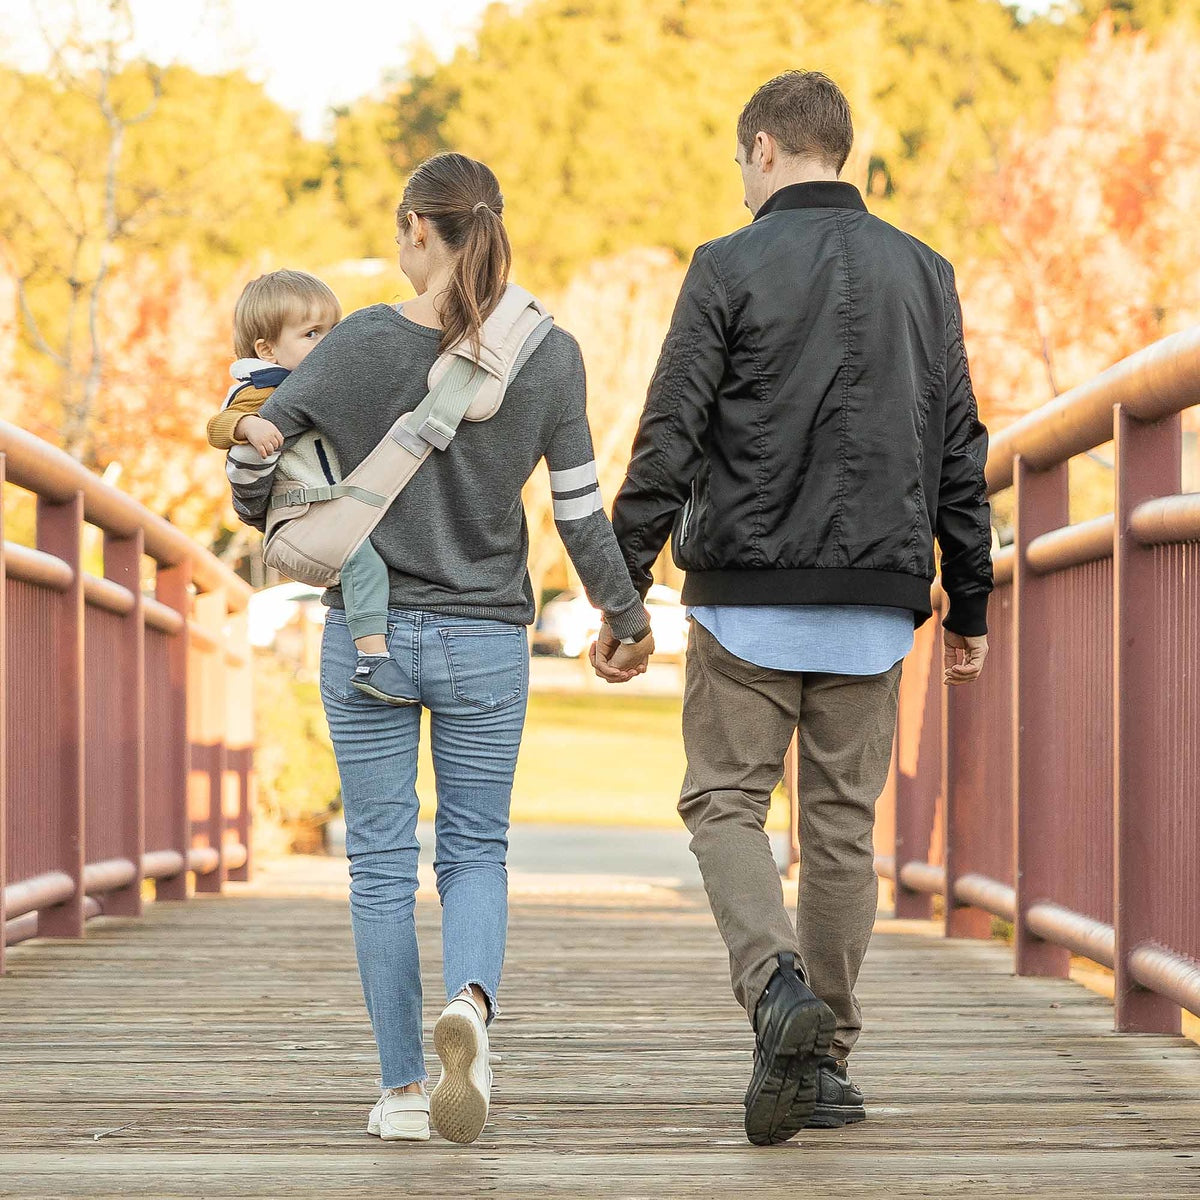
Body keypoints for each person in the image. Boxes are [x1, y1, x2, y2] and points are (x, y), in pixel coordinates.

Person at [228, 152, 654, 1145]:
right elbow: (582, 515)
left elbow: (260, 479)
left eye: (397, 229)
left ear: (421, 229)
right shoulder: (552, 353)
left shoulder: (364, 340)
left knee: (380, 864)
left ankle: (404, 1092)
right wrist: (625, 620)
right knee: (474, 855)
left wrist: (263, 477)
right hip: (486, 638)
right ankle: (471, 1004)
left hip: (368, 639)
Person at [602, 70, 993, 1146]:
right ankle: (824, 1066)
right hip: (875, 601)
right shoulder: (926, 272)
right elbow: (961, 447)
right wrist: (971, 602)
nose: (739, 184)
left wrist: (623, 583)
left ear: (766, 148)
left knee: (723, 802)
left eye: (740, 163)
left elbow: (671, 430)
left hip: (745, 598)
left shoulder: (728, 266)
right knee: (837, 831)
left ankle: (777, 993)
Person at [207, 269, 418, 705]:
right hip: (307, 513)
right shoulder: (261, 388)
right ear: (267, 349)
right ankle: (372, 657)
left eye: (333, 331)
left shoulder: (329, 380)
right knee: (363, 562)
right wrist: (250, 425)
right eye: (311, 334)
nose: (329, 344)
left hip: (335, 505)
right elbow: (217, 425)